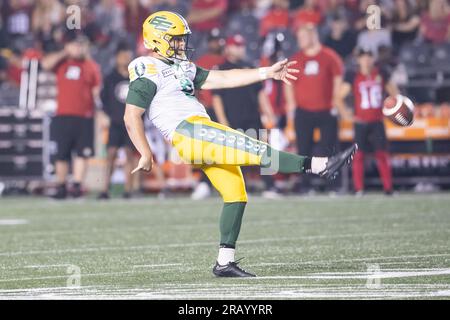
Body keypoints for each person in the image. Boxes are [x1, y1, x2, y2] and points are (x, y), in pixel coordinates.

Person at [124, 11, 356, 277]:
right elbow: (131, 115)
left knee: (236, 193)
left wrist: (266, 73)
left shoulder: (181, 67)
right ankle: (321, 165)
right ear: (157, 40)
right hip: (191, 132)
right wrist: (145, 152)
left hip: (198, 135)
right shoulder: (147, 68)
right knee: (256, 148)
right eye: (175, 40)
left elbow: (223, 78)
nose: (181, 44)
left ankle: (224, 262)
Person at [284, 21, 346, 194]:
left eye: (303, 36)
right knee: (303, 149)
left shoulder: (329, 56)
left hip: (327, 110)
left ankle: (332, 185)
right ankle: (306, 185)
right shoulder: (296, 58)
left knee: (330, 148)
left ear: (313, 36)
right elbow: (288, 82)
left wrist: (336, 102)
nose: (300, 40)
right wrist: (291, 106)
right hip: (303, 111)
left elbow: (338, 80)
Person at [41, 33, 102, 199]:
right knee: (62, 153)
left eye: (80, 45)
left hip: (85, 115)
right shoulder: (62, 63)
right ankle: (61, 185)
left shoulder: (91, 66)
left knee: (83, 153)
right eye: (75, 45)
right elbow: (45, 64)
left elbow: (96, 91)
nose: (78, 48)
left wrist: (100, 113)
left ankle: (76, 185)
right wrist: (64, 52)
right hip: (63, 115)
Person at [336, 47, 398, 195]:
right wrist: (346, 115)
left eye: (369, 56)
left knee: (382, 154)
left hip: (377, 121)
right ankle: (359, 188)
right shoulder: (353, 75)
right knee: (358, 156)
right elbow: (338, 97)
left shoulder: (381, 73)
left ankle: (388, 188)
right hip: (360, 122)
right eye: (363, 57)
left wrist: (390, 111)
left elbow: (395, 95)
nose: (366, 60)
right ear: (358, 60)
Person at [98, 44, 136, 200]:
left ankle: (128, 190)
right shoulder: (110, 78)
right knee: (111, 154)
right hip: (115, 122)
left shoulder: (136, 77)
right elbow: (103, 99)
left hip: (132, 122)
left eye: (128, 55)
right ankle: (105, 188)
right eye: (122, 56)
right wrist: (105, 115)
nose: (125, 59)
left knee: (129, 155)